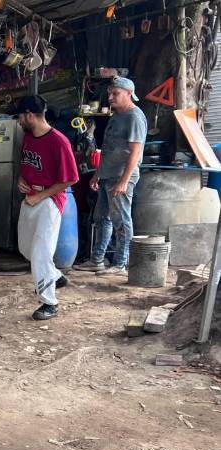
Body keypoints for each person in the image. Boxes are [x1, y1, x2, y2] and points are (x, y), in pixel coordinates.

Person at [15, 95, 79, 321]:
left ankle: (49, 302)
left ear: (30, 115)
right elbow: (27, 166)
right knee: (26, 248)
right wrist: (22, 180)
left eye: (20, 116)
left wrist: (41, 195)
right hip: (30, 196)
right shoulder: (28, 137)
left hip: (50, 201)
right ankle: (55, 276)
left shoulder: (59, 141)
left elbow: (71, 178)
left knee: (41, 253)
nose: (19, 121)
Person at [75, 77, 147, 275]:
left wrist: (124, 181)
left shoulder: (134, 117)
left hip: (121, 177)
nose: (110, 97)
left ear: (128, 94)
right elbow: (108, 150)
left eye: (115, 93)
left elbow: (135, 152)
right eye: (110, 93)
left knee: (121, 220)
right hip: (108, 175)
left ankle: (121, 263)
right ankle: (97, 259)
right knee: (101, 218)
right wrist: (97, 175)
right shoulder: (116, 116)